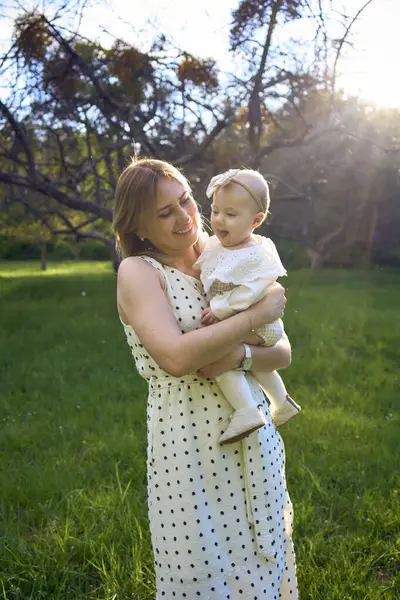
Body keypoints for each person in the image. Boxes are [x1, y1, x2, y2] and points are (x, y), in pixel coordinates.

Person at [113, 157, 298, 600]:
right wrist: (254, 316)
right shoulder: (139, 272)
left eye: (186, 201)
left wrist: (238, 355)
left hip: (253, 429)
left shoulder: (228, 255)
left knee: (264, 555)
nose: (186, 218)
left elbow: (283, 353)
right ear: (138, 226)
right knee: (200, 568)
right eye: (165, 212)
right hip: (188, 445)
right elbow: (176, 358)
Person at [194, 168, 301, 446]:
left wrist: (222, 309)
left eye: (230, 214)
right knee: (253, 362)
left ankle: (245, 411)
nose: (218, 220)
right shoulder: (218, 245)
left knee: (220, 351)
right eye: (216, 211)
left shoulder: (256, 252)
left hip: (262, 324)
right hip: (255, 324)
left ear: (256, 220)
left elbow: (251, 291)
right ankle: (281, 401)